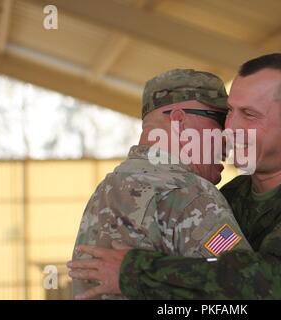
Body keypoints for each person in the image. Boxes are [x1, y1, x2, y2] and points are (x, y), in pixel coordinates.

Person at [68, 53, 281, 299]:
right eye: (228, 113)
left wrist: (133, 271)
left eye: (248, 115)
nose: (230, 129)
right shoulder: (232, 195)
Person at [71, 68, 251, 299]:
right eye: (220, 121)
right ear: (179, 121)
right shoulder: (189, 193)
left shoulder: (107, 190)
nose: (228, 135)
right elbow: (247, 290)